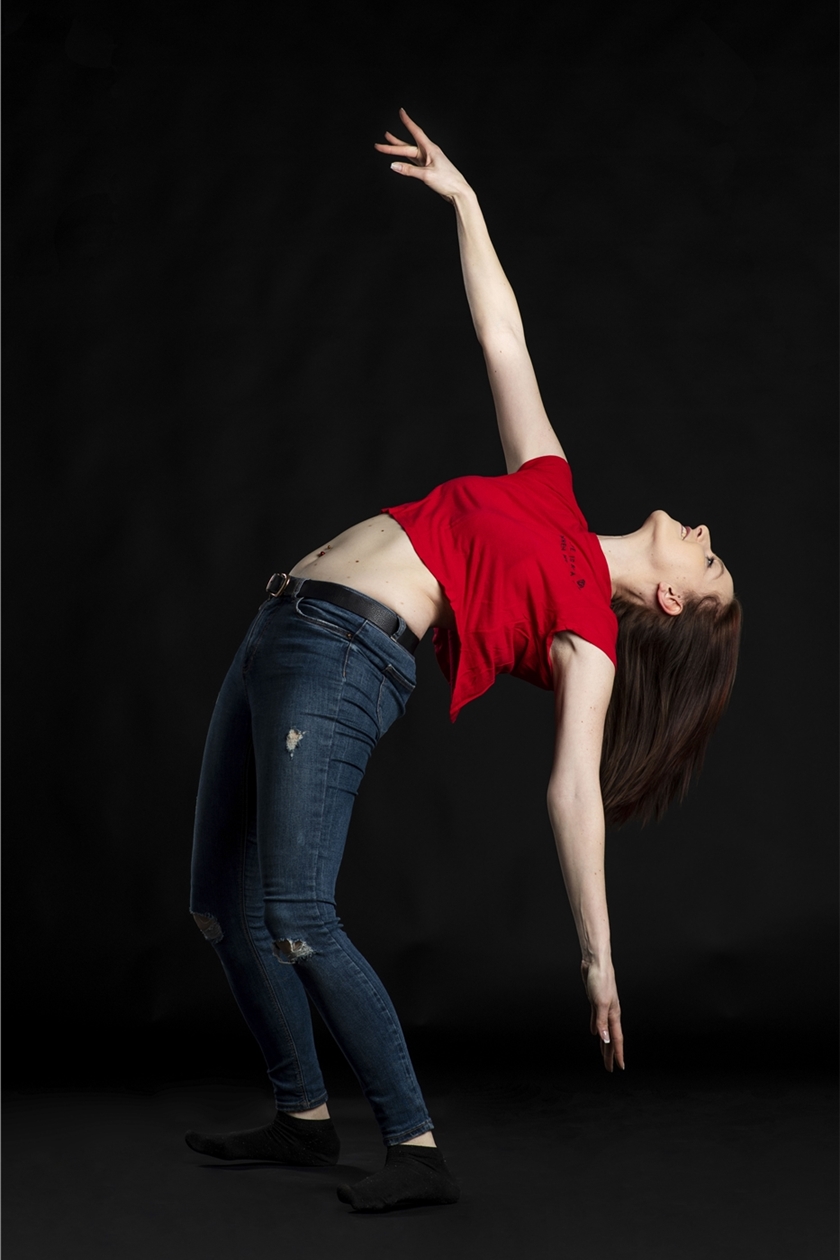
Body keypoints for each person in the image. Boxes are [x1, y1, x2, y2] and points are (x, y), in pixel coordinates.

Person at [186, 110, 742, 1213]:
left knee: (296, 912)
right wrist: (466, 201)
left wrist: (598, 957)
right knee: (218, 904)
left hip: (342, 658)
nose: (705, 532)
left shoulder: (590, 635)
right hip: (280, 629)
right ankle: (303, 1118)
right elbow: (504, 339)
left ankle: (416, 1148)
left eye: (710, 561)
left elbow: (572, 788)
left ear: (673, 600)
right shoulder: (551, 489)